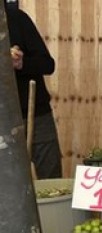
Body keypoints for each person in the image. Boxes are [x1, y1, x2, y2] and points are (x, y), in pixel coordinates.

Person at [5, 2, 62, 179]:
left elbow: (48, 64)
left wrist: (21, 63)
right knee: (10, 185)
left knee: (51, 179)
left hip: (36, 115)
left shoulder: (17, 19)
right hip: (4, 122)